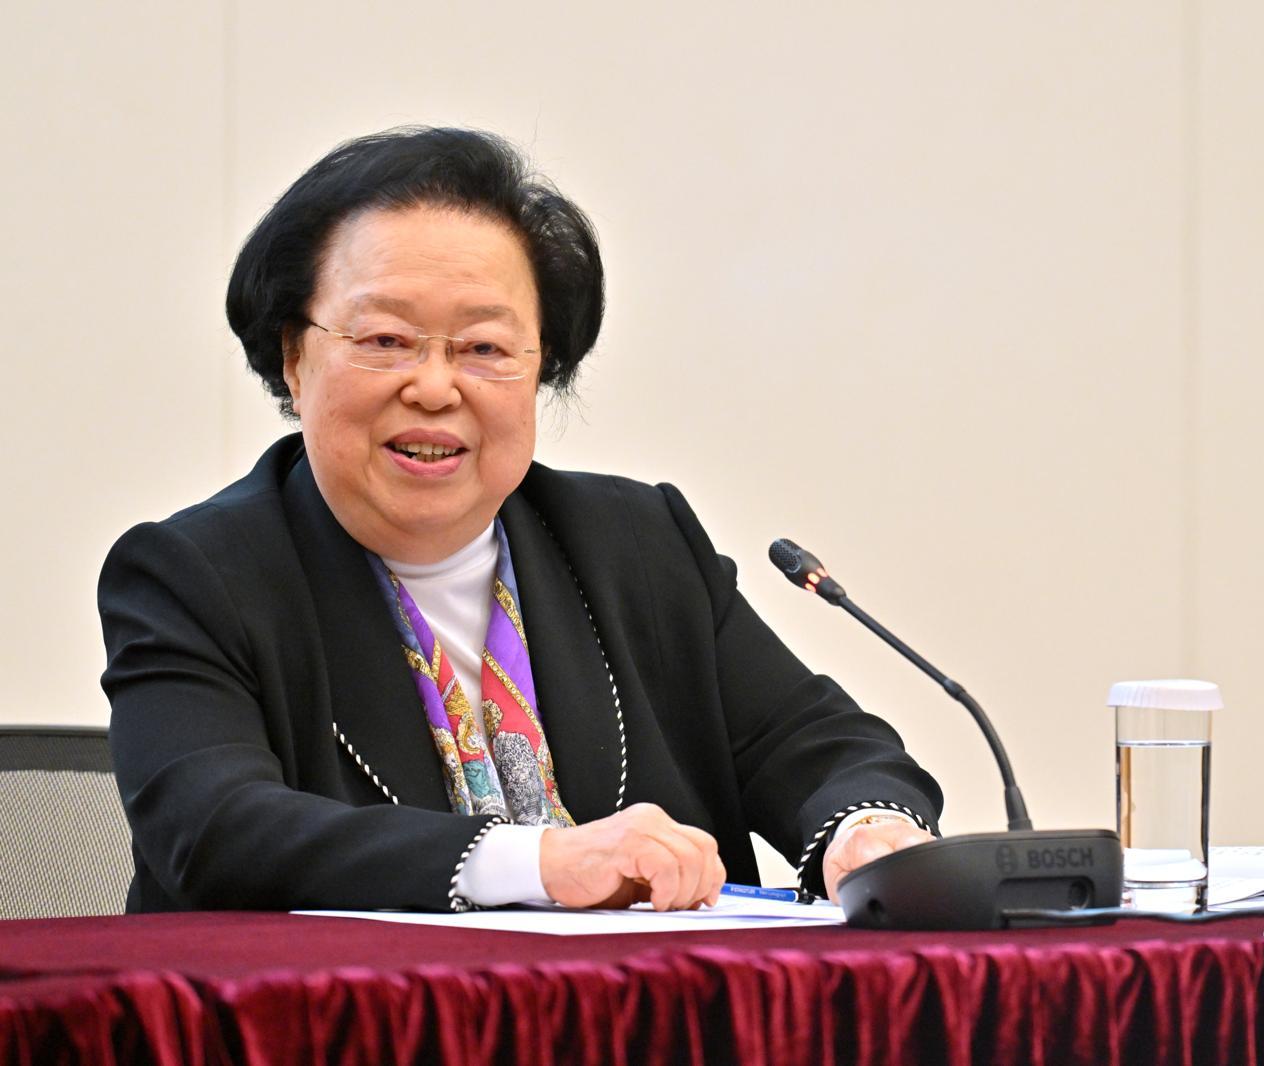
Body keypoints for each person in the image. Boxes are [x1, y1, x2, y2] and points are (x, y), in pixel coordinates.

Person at [98, 127, 941, 914]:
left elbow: (825, 747)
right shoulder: (195, 574)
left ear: (542, 369)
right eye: (387, 340)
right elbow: (213, 829)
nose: (434, 387)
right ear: (294, 353)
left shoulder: (639, 544)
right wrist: (536, 862)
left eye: (484, 349)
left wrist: (866, 833)